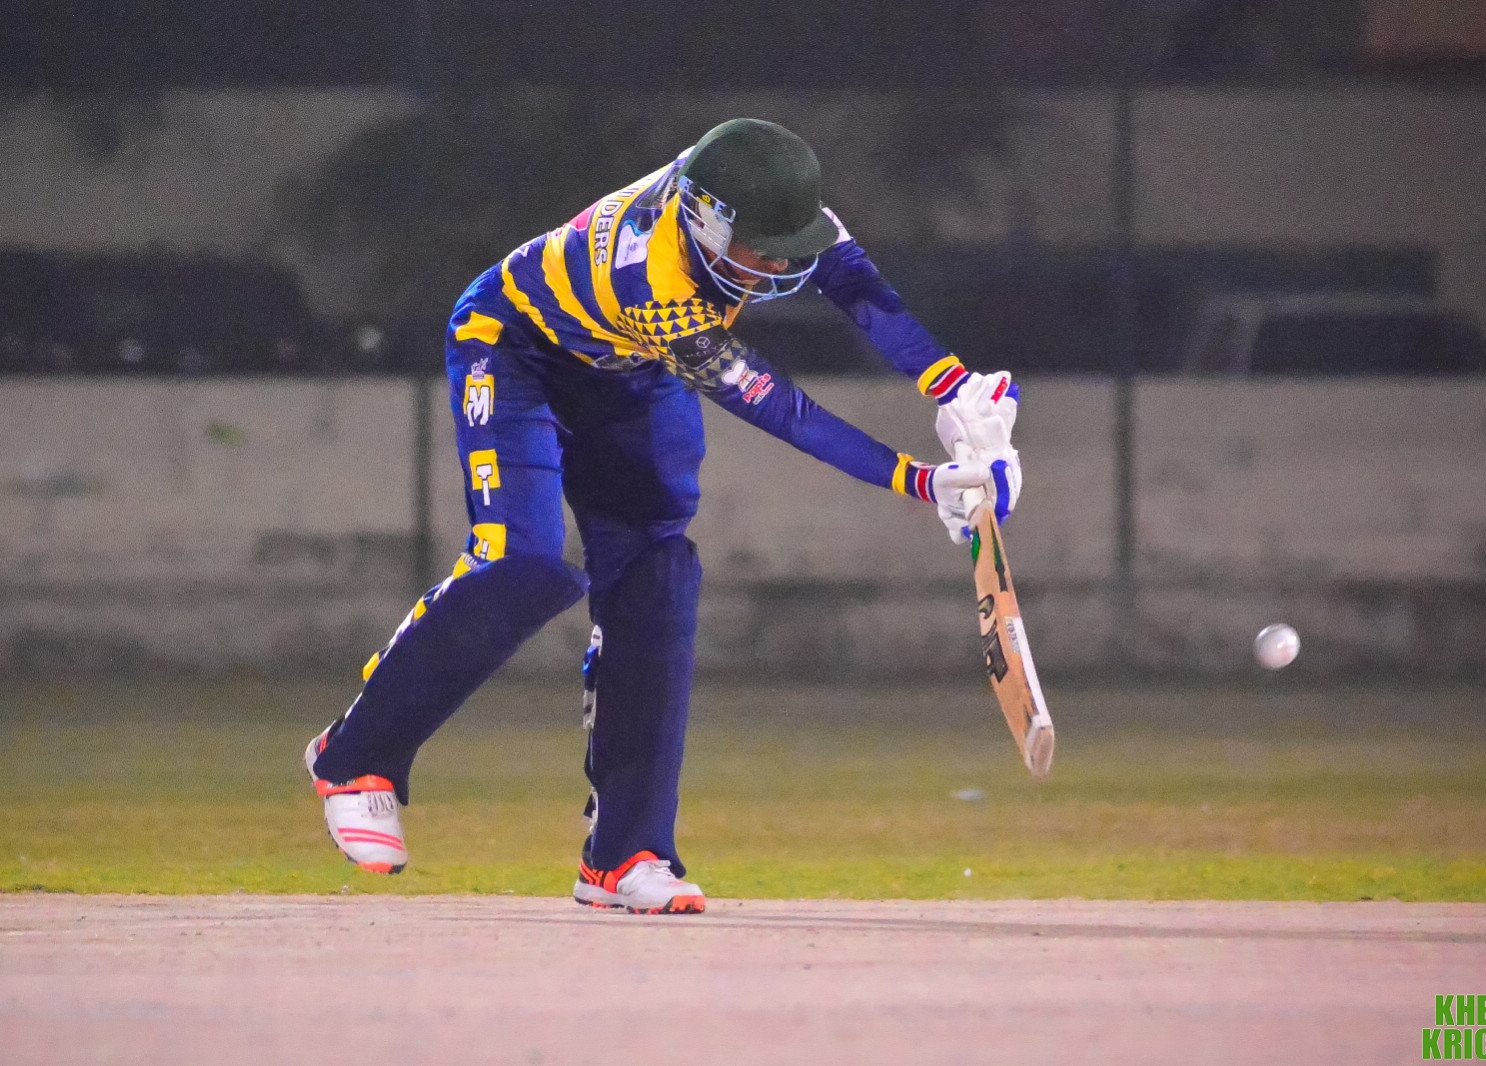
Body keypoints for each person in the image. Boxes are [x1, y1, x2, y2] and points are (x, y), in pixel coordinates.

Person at [304, 118, 1023, 914]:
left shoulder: (751, 198)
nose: (781, 264)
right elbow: (777, 407)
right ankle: (353, 757)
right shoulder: (650, 279)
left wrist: (956, 387)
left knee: (658, 574)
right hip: (513, 351)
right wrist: (918, 481)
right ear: (708, 224)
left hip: (628, 369)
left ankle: (624, 854)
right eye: (763, 249)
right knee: (523, 563)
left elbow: (858, 290)